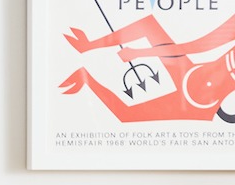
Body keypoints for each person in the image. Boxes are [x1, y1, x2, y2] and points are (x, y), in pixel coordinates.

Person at [61, 12, 235, 121]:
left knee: (126, 115)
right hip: (190, 72)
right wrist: (139, 52)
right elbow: (200, 46)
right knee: (149, 26)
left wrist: (139, 53)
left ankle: (85, 78)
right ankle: (86, 47)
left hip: (199, 104)